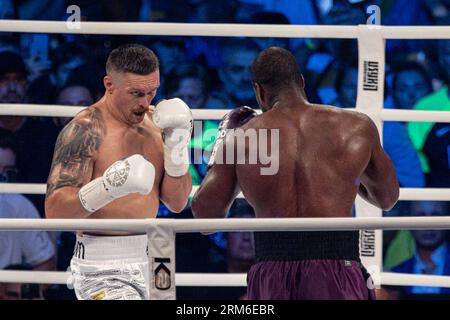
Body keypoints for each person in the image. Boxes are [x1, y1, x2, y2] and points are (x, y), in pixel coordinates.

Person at [192, 47, 399, 300]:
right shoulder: (356, 127)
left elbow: (205, 217)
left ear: (259, 91)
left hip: (273, 271)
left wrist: (222, 141)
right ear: (301, 81)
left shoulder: (242, 137)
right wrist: (348, 178)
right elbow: (387, 199)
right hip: (339, 267)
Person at [44, 44, 192, 300]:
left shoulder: (156, 124)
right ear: (109, 84)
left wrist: (178, 146)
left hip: (156, 254)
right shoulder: (85, 130)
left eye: (152, 92)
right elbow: (55, 213)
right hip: (102, 261)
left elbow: (177, 203)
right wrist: (107, 187)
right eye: (136, 93)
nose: (145, 103)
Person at [0, 135, 56, 299]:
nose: (1, 177)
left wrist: (16, 288)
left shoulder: (18, 205)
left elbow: (45, 265)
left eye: (7, 172)